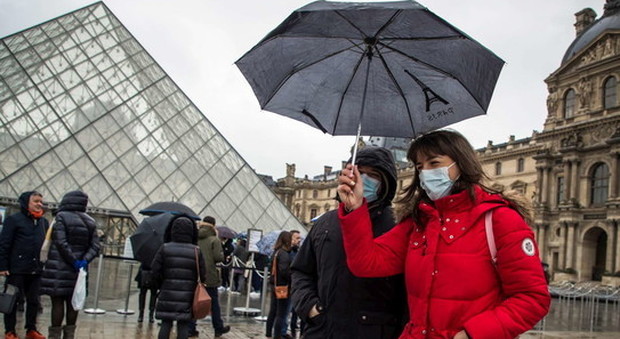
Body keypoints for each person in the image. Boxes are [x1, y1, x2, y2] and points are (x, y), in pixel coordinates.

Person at [337, 130, 551, 339]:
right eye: (420, 167)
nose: (425, 172)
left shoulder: (499, 219)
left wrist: (473, 333)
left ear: (460, 164)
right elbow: (366, 263)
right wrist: (355, 209)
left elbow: (533, 298)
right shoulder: (417, 222)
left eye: (434, 163)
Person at [291, 147, 407, 339]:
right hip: (322, 330)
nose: (365, 180)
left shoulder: (399, 226)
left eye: (374, 175)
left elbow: (409, 293)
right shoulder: (324, 223)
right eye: (360, 173)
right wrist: (310, 307)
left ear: (386, 183)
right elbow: (301, 270)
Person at [40, 191, 100, 339]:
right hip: (79, 270)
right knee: (74, 302)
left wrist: (72, 260)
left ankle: (54, 336)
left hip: (59, 267)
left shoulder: (61, 217)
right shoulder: (90, 221)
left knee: (58, 302)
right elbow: (95, 246)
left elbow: (60, 241)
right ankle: (69, 336)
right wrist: (83, 260)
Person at [0, 191, 49, 339]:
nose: (39, 204)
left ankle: (31, 329)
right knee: (12, 301)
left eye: (41, 201)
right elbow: (4, 244)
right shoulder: (13, 220)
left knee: (34, 301)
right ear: (26, 202)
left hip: (36, 269)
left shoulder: (43, 222)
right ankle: (10, 331)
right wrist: (2, 266)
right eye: (35, 201)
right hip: (16, 269)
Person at [151, 216, 205, 339]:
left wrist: (161, 284)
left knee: (165, 324)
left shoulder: (165, 248)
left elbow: (155, 271)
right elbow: (202, 275)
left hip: (167, 292)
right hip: (187, 294)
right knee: (183, 325)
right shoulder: (196, 251)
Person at [188, 216, 230, 338]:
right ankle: (218, 328)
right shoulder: (214, 240)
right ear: (213, 225)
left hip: (195, 273)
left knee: (194, 301)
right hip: (209, 274)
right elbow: (218, 257)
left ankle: (191, 327)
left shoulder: (194, 237)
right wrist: (222, 253)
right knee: (214, 303)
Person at [265, 231, 292, 339]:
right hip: (283, 286)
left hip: (274, 284)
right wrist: (292, 278)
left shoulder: (276, 252)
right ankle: (277, 335)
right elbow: (284, 270)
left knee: (273, 310)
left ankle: (268, 332)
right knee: (281, 313)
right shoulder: (284, 254)